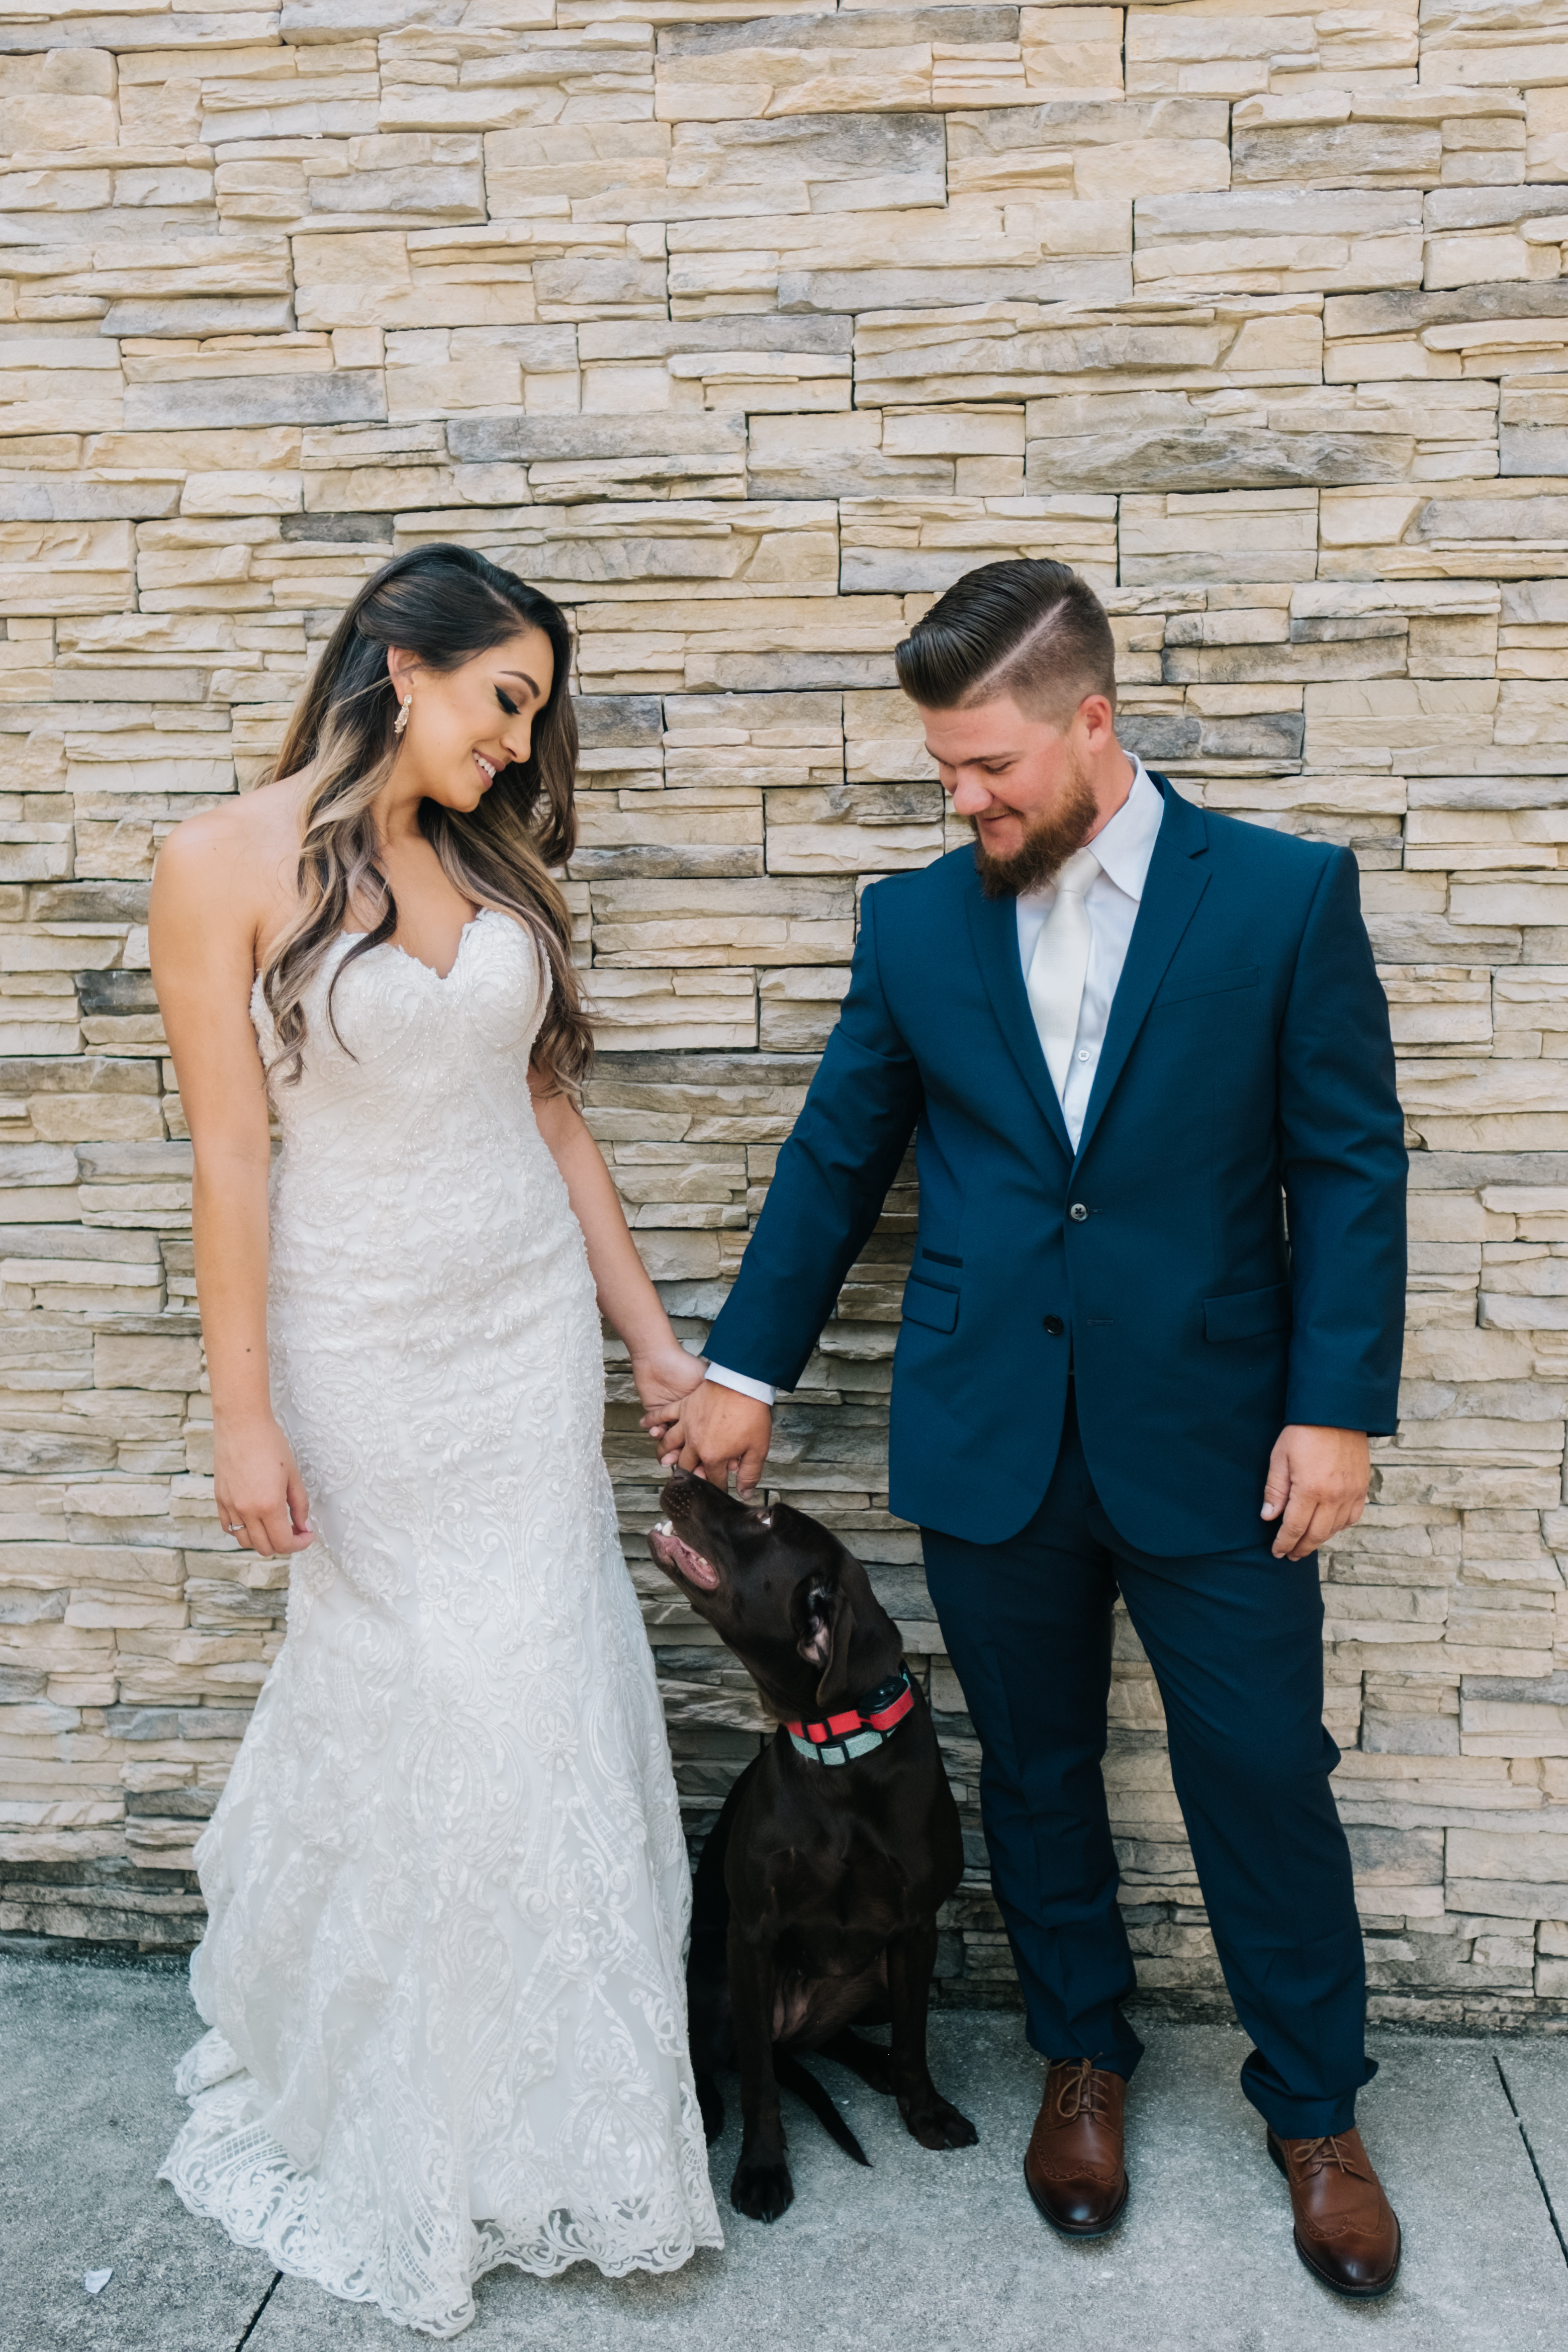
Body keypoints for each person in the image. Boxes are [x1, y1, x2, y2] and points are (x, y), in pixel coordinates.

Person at [655, 558, 1408, 2297]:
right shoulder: (916, 923)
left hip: (1225, 1436)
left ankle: (1316, 2111)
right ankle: (1085, 2061)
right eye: (943, 772)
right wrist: (745, 1378)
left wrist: (1335, 1411)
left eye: (989, 765)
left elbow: (1349, 1166)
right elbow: (841, 1152)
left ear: (1092, 719)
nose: (964, 799)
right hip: (992, 1429)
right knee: (1039, 1773)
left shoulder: (1284, 899)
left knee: (1262, 1777)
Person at [149, 544, 721, 2338]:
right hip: (365, 1353)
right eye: (507, 700)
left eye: (533, 716)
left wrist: (649, 1341)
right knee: (436, 1699)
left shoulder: (494, 869)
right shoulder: (219, 863)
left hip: (522, 1341)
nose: (518, 743)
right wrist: (243, 1414)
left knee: (548, 1685)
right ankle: (412, 2107)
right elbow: (230, 1159)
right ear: (405, 664)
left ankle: (567, 2112)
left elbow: (553, 1125)